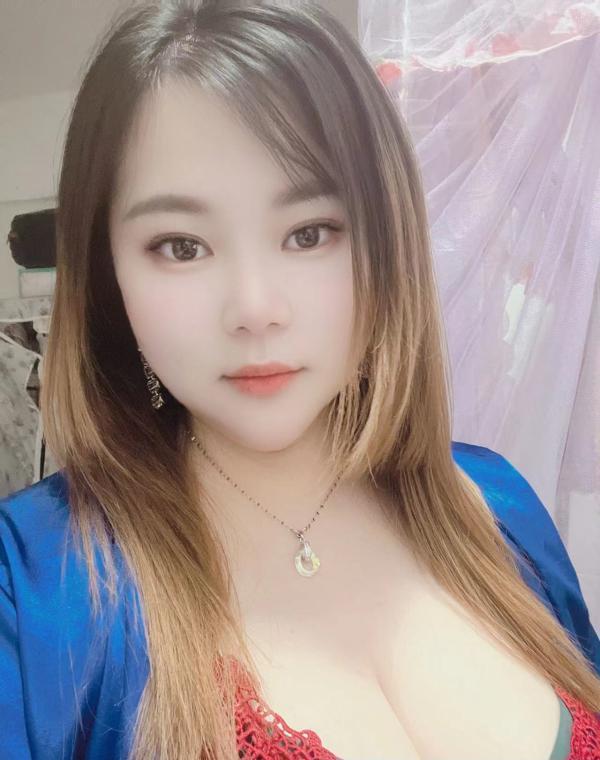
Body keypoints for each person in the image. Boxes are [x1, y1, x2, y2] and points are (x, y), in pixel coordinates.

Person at [1, 1, 599, 758]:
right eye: (181, 246)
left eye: (309, 233)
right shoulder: (35, 588)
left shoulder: (498, 505)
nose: (256, 309)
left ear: (386, 240)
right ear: (108, 273)